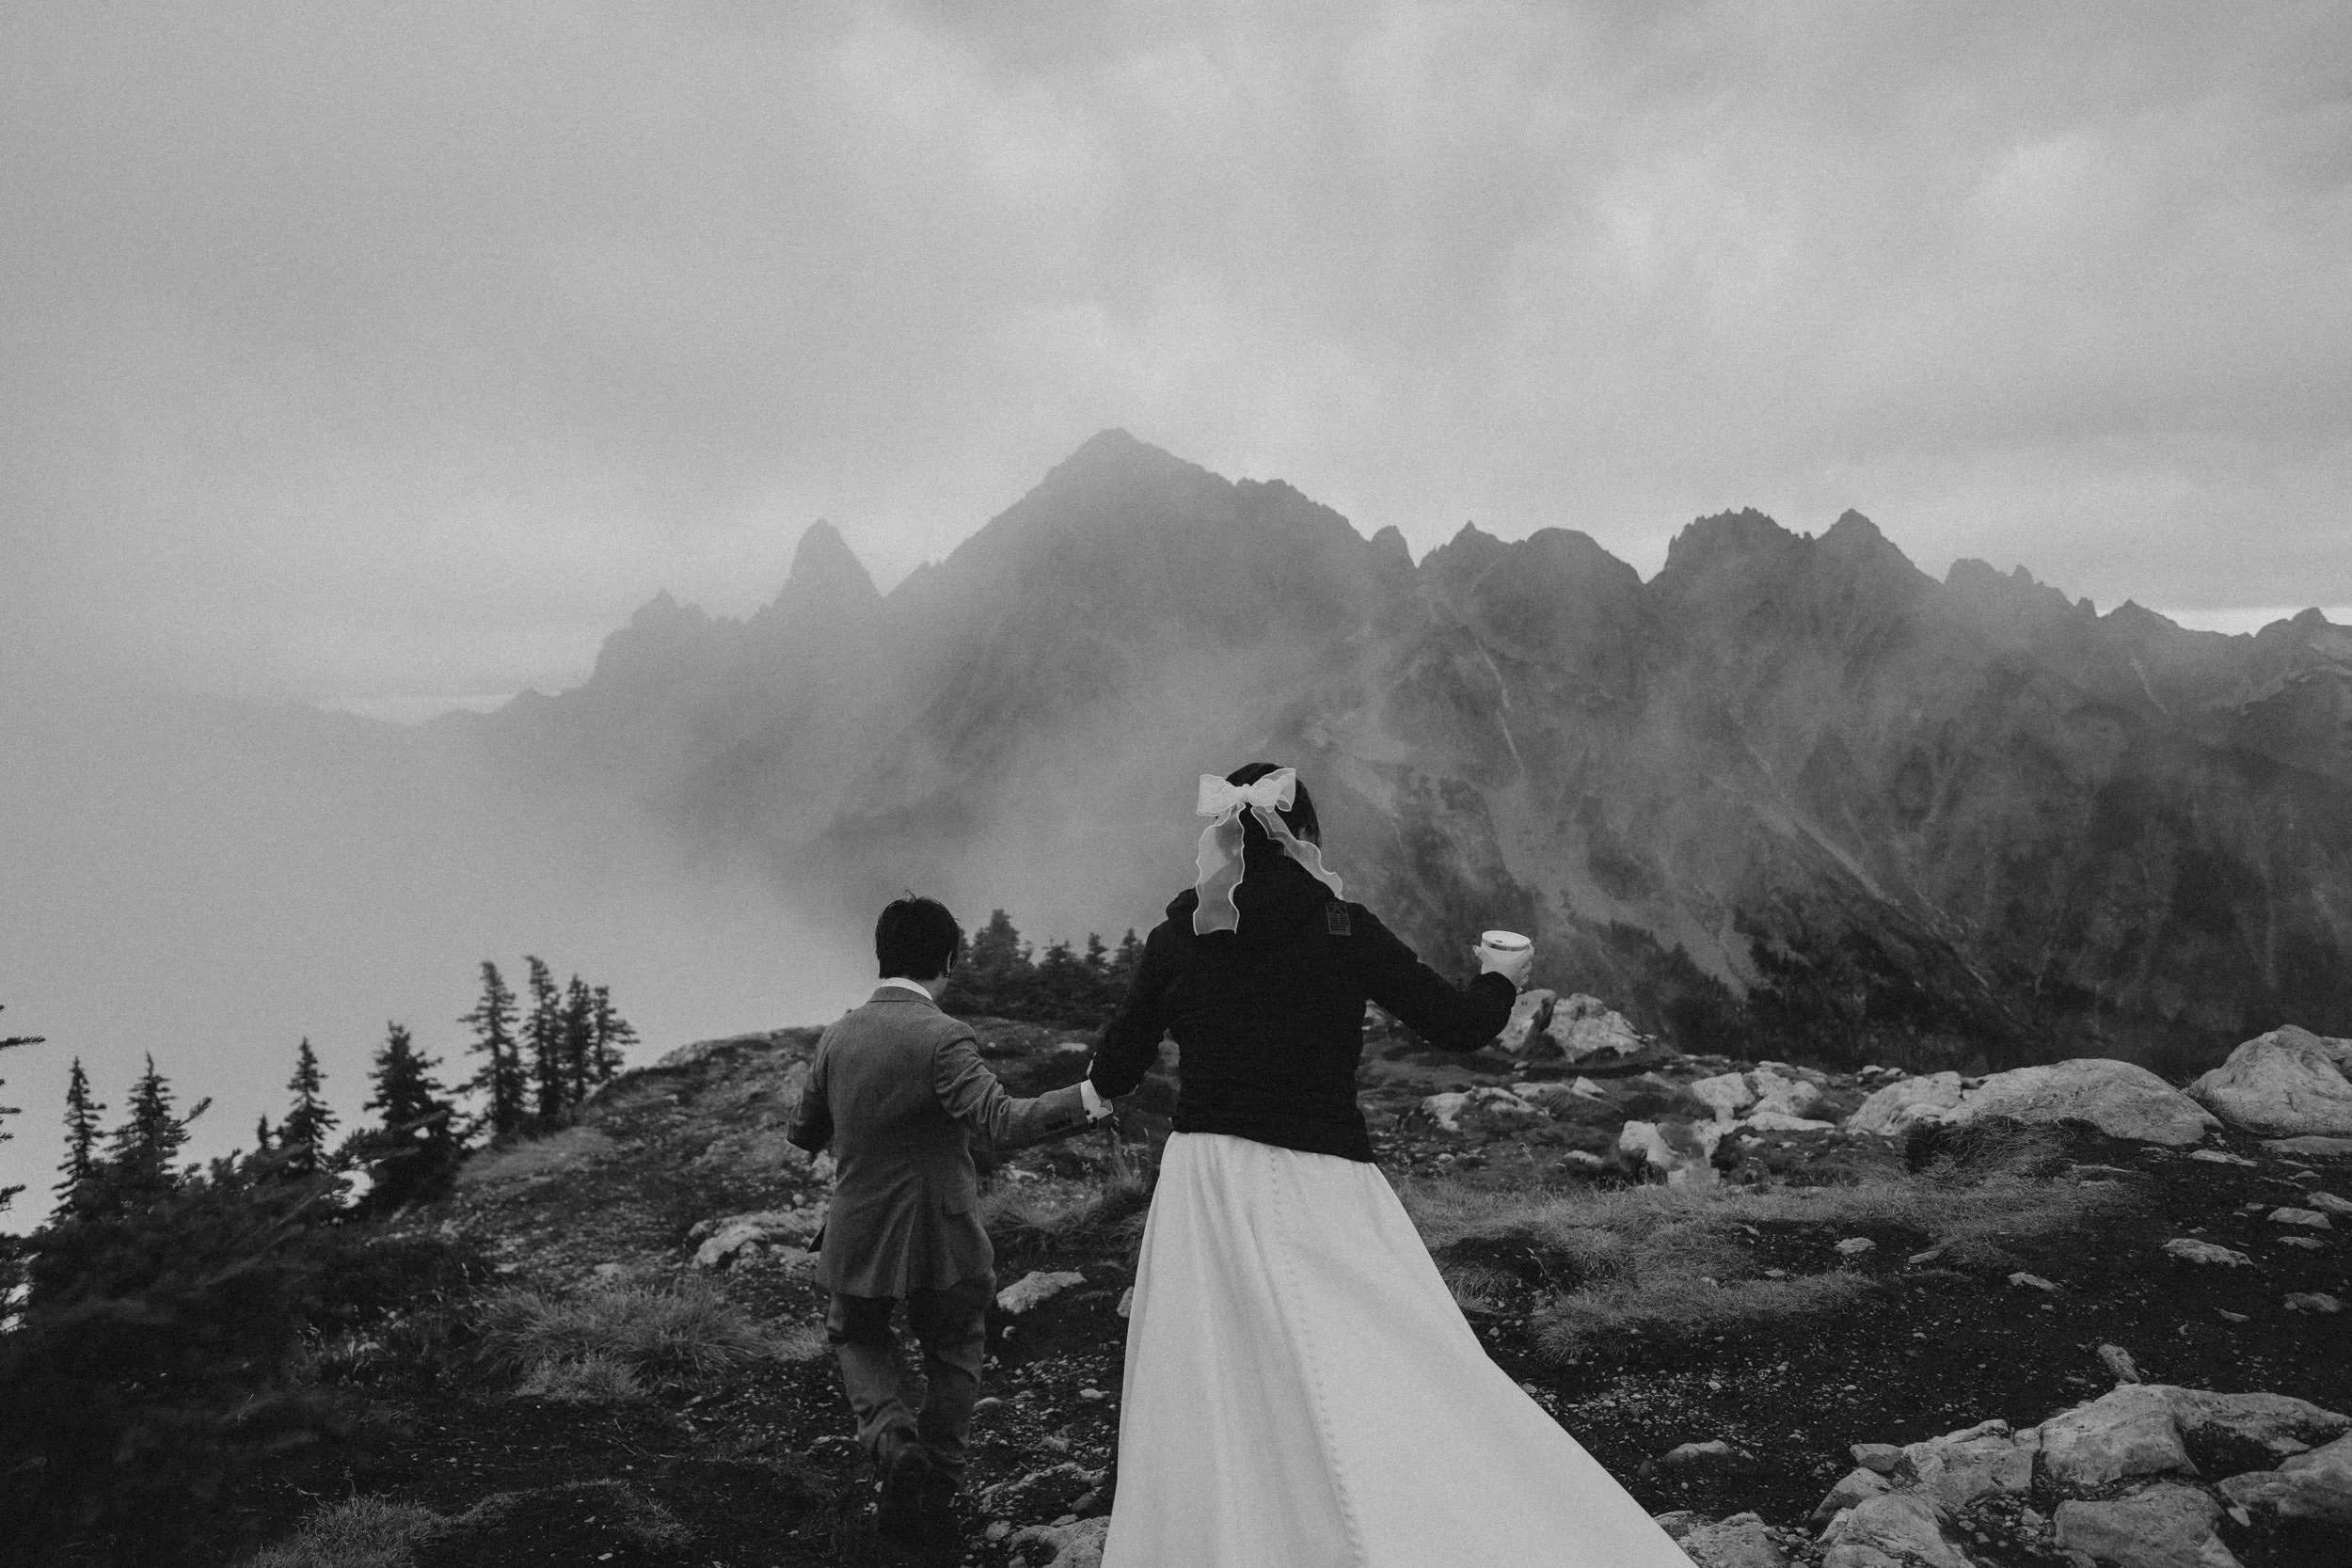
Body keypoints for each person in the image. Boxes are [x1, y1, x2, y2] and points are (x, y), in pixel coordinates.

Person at [1088, 764, 1698, 1567]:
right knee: (1378, 1352)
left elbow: (1114, 1068)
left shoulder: (1178, 938)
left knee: (1215, 1375)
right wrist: (1499, 977)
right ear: (1302, 836)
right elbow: (1455, 1025)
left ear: (1225, 839)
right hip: (1323, 1173)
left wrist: (1094, 1092)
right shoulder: (1342, 926)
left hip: (1208, 1176)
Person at [787, 895, 1115, 1555]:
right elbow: (1002, 1121)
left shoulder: (837, 1035)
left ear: (881, 954)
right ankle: (935, 1483)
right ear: (948, 958)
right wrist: (1089, 1096)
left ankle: (891, 1440)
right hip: (942, 1234)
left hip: (856, 1232)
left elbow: (804, 1132)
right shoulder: (944, 1036)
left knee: (857, 1336)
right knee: (956, 1345)